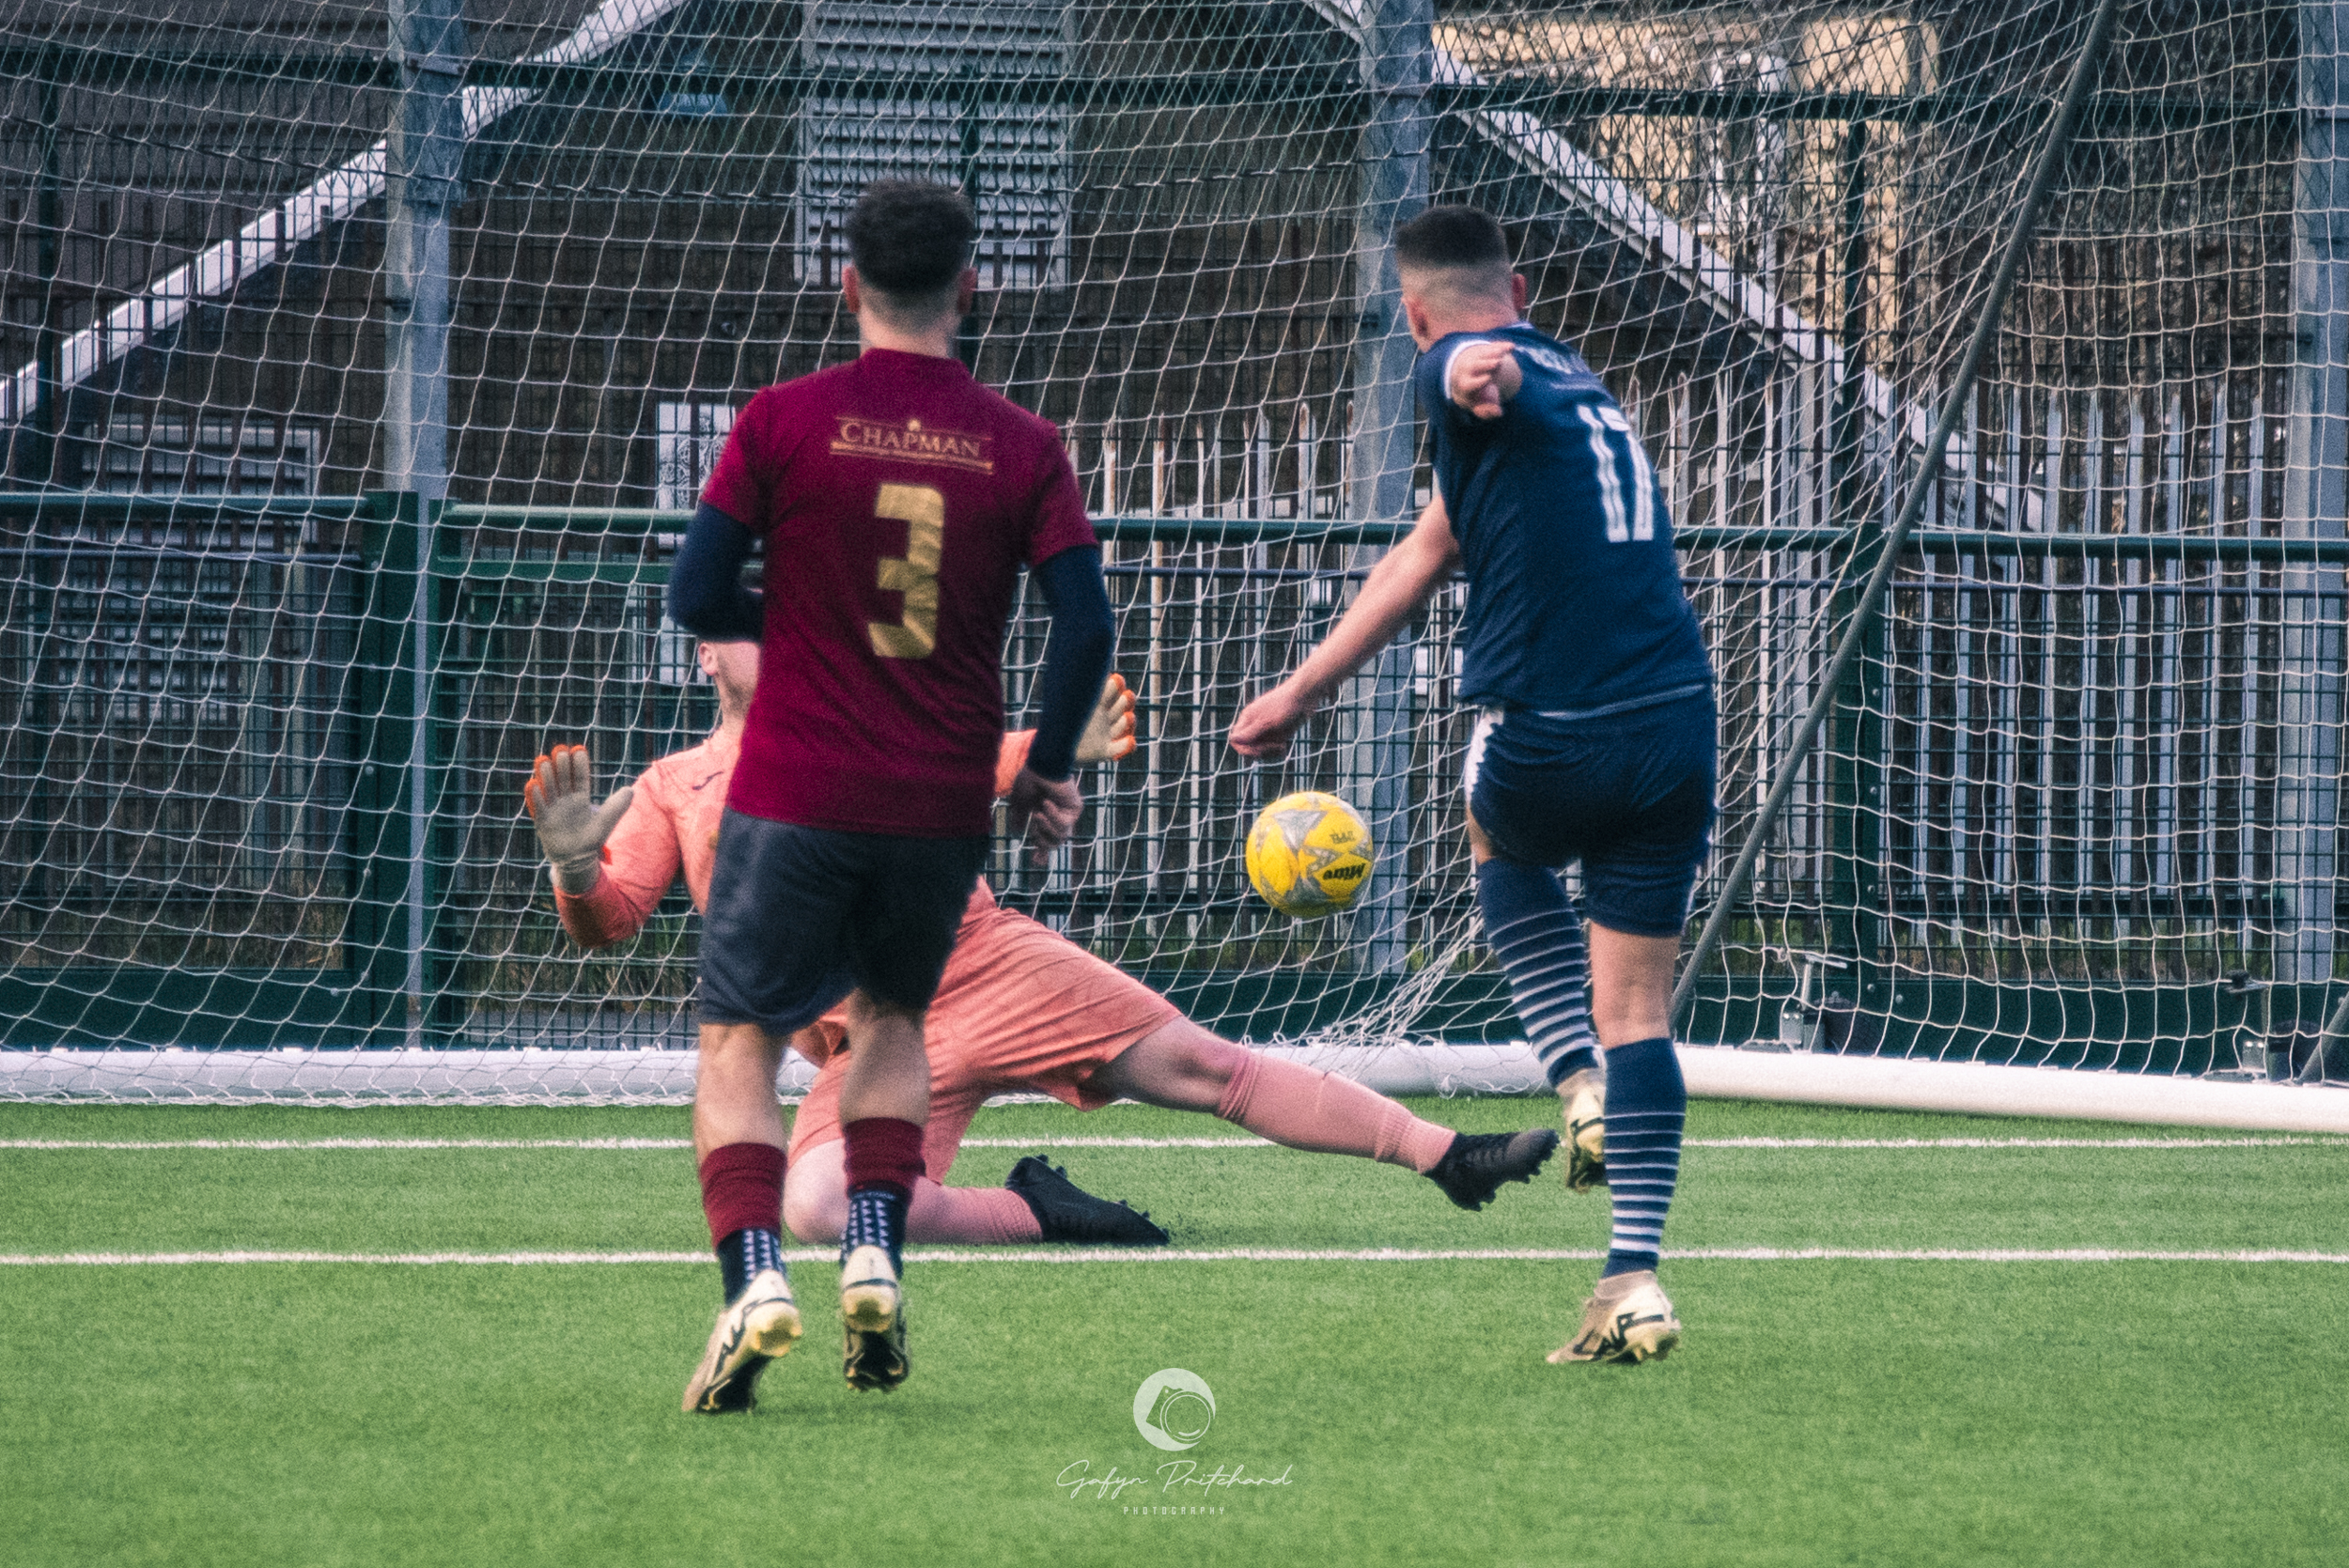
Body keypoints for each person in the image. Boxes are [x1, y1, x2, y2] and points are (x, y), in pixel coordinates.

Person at [526, 641, 1563, 1413]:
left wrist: (1054, 745)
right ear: (706, 654)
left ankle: (1448, 1156)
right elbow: (608, 921)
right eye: (747, 620)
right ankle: (1041, 1209)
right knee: (816, 1205)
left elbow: (964, 756)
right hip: (876, 1042)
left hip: (985, 963)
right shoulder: (671, 786)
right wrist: (575, 865)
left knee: (1206, 1067)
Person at [1229, 205, 1717, 1366]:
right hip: (1676, 724)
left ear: (1410, 313)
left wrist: (1465, 370)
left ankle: (1577, 1083)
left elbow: (1463, 370)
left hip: (1555, 729)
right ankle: (1632, 1279)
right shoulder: (1581, 383)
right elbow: (1420, 552)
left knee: (1495, 834)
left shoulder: (1455, 366)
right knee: (1641, 1012)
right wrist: (1302, 690)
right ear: (1523, 287)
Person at [662, 179, 1114, 1397]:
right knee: (894, 1021)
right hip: (937, 803)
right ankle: (873, 1247)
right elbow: (1087, 626)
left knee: (740, 1038)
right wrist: (1047, 769)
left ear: (846, 284)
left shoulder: (781, 419)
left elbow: (695, 594)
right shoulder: (1024, 444)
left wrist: (805, 618)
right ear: (972, 288)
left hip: (794, 791)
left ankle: (755, 1279)